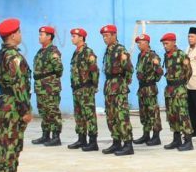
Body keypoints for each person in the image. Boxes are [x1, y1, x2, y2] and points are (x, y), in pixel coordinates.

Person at [0, 18, 33, 172]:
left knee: (3, 141)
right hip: (13, 103)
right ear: (13, 35)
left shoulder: (0, 55)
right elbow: (19, 85)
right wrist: (25, 109)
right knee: (12, 141)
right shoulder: (14, 57)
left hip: (3, 101)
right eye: (19, 32)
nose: (20, 35)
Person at [99, 25, 134, 156]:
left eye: (107, 35)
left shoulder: (120, 50)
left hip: (118, 87)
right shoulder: (108, 50)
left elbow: (129, 69)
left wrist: (125, 82)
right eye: (103, 36)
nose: (105, 38)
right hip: (109, 86)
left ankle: (128, 144)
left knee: (121, 116)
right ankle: (116, 141)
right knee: (111, 116)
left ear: (114, 35)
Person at [67, 28, 100, 152]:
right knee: (79, 115)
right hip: (76, 88)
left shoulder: (88, 52)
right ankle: (81, 139)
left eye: (74, 36)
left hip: (86, 88)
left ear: (81, 37)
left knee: (89, 115)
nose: (72, 38)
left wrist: (94, 86)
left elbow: (94, 70)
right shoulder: (76, 53)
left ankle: (93, 141)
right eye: (71, 36)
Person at [161, 33, 194, 151]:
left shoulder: (181, 55)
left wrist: (181, 83)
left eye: (167, 43)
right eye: (164, 44)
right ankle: (176, 139)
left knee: (183, 115)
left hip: (179, 89)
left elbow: (189, 72)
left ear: (174, 42)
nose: (165, 46)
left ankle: (188, 141)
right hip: (169, 89)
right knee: (172, 115)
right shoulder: (167, 56)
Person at [31, 26, 64, 147]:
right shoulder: (41, 52)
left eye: (42, 34)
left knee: (52, 110)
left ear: (49, 37)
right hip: (40, 86)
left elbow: (59, 69)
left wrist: (49, 79)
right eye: (39, 34)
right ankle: (45, 135)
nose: (40, 36)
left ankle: (56, 137)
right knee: (43, 110)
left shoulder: (53, 52)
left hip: (50, 86)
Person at [132, 33, 164, 146]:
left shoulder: (153, 56)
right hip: (142, 89)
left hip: (150, 88)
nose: (138, 45)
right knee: (144, 113)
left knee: (153, 112)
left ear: (146, 43)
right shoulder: (140, 55)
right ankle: (146, 135)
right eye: (137, 43)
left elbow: (159, 72)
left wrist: (152, 80)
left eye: (140, 43)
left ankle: (156, 137)